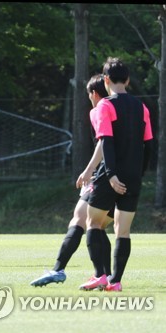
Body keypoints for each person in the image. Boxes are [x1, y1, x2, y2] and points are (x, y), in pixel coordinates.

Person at [30, 74, 114, 287]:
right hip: (124, 175)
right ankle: (107, 276)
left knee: (80, 219)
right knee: (99, 225)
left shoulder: (98, 109)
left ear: (94, 94)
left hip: (104, 173)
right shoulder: (122, 109)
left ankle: (59, 269)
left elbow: (103, 143)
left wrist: (89, 170)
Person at [79, 57, 153, 292]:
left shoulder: (105, 106)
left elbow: (106, 142)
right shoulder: (142, 107)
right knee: (123, 230)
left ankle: (100, 275)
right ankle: (116, 281)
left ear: (106, 80)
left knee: (93, 223)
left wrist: (110, 175)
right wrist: (139, 174)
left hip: (110, 176)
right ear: (128, 80)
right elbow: (149, 144)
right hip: (133, 177)